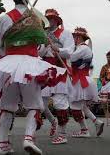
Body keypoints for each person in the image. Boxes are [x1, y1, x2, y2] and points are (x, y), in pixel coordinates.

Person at [0, 0, 66, 155]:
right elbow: (42, 47)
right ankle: (28, 139)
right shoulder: (37, 19)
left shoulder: (4, 18)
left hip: (9, 62)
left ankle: (3, 145)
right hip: (29, 63)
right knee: (34, 105)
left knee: (7, 106)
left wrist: (9, 54)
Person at [38, 8, 75, 144]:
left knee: (60, 101)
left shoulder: (65, 33)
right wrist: (43, 46)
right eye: (47, 18)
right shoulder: (44, 34)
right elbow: (40, 54)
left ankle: (62, 134)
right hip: (46, 69)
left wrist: (58, 49)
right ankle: (53, 121)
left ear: (56, 20)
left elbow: (70, 51)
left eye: (51, 18)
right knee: (40, 103)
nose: (49, 21)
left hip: (59, 68)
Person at [68, 27, 104, 138]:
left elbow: (71, 58)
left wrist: (60, 51)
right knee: (82, 106)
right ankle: (96, 122)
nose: (73, 39)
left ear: (79, 37)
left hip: (80, 79)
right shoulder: (81, 48)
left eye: (74, 37)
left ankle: (84, 130)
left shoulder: (83, 48)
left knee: (75, 106)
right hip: (80, 79)